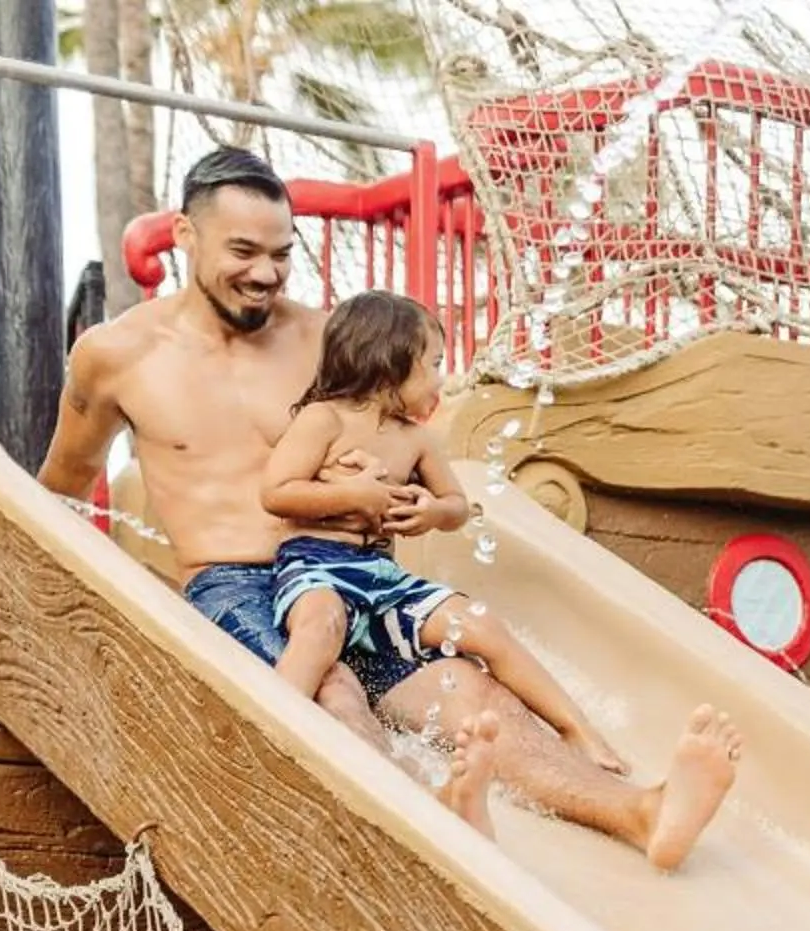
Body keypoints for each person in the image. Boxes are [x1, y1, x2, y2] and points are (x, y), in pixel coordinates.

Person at [38, 145, 743, 870]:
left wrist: (407, 499)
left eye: (281, 254)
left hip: (351, 572)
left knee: (477, 697)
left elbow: (405, 433)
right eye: (242, 250)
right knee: (329, 685)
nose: (264, 273)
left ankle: (642, 813)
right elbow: (60, 488)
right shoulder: (115, 355)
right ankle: (420, 817)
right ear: (186, 236)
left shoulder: (329, 341)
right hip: (236, 584)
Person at [264, 289, 630, 826]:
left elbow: (458, 506)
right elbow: (276, 493)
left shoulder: (416, 440)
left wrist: (431, 510)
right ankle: (270, 727)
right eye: (433, 364)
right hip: (317, 563)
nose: (441, 378)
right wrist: (353, 497)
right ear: (387, 361)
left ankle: (576, 728)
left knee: (479, 624)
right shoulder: (324, 420)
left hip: (381, 576)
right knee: (319, 627)